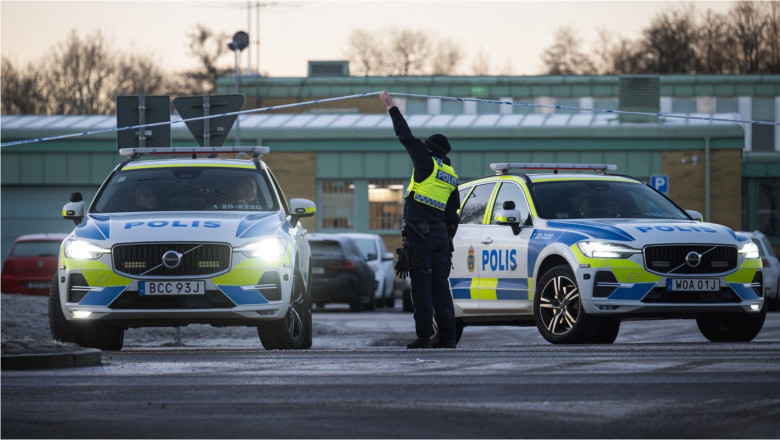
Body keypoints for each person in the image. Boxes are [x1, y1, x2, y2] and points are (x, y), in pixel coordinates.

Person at [379, 91, 460, 349]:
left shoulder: (426, 164)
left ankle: (424, 336)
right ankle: (447, 336)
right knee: (441, 288)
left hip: (421, 237)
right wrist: (446, 239)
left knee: (421, 287)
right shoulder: (451, 175)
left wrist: (391, 107)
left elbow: (405, 136)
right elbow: (453, 215)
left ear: (430, 150)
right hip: (440, 238)